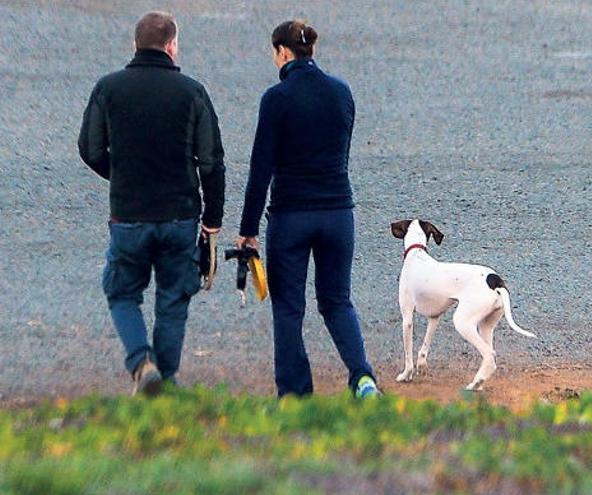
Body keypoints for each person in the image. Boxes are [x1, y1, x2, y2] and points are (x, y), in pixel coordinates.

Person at [78, 11, 225, 396]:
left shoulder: (108, 88)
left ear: (134, 45)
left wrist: (123, 175)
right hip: (180, 217)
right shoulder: (192, 92)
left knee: (123, 293)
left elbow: (89, 149)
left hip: (128, 215)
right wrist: (212, 221)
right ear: (172, 46)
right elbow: (211, 161)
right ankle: (167, 381)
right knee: (173, 299)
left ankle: (142, 364)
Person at [237, 18, 379, 399]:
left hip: (291, 217)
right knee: (336, 300)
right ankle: (363, 379)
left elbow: (261, 168)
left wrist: (248, 228)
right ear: (311, 50)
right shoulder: (341, 92)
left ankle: (295, 396)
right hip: (338, 213)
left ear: (283, 52)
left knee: (288, 308)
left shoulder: (276, 99)